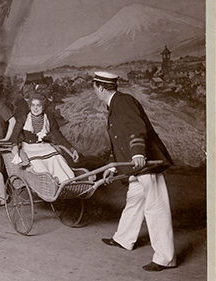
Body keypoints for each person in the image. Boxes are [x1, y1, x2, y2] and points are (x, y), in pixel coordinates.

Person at [92, 71, 176, 272]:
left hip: (144, 162)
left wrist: (138, 153)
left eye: (94, 87)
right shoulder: (114, 105)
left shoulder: (124, 102)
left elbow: (136, 128)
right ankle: (124, 238)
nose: (93, 91)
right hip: (133, 164)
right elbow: (118, 141)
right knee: (135, 199)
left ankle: (165, 258)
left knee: (155, 207)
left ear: (101, 87)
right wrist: (113, 166)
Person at [10, 92, 79, 183]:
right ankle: (48, 184)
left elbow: (59, 135)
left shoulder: (49, 118)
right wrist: (15, 146)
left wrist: (72, 149)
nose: (35, 108)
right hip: (28, 147)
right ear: (30, 106)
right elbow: (14, 135)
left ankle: (67, 182)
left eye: (38, 105)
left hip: (42, 146)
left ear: (43, 107)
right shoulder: (24, 118)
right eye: (33, 105)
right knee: (38, 163)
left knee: (57, 158)